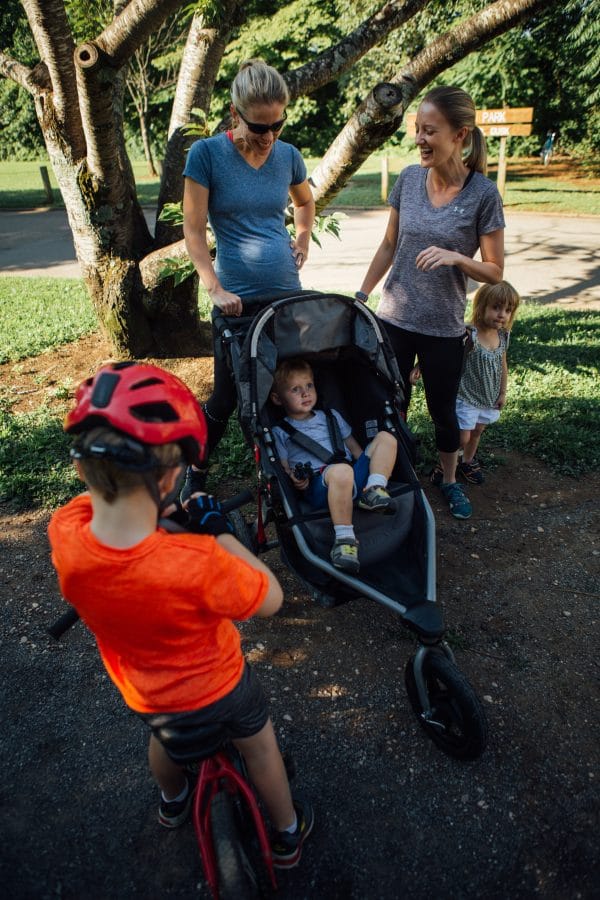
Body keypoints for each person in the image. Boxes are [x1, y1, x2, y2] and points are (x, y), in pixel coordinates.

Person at [47, 362, 313, 869]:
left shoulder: (66, 531)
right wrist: (216, 531)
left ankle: (172, 803)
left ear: (83, 469)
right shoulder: (198, 562)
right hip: (222, 690)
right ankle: (286, 833)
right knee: (259, 746)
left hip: (148, 695)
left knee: (166, 740)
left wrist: (155, 518)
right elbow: (270, 597)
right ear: (172, 476)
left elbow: (95, 511)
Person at [356, 85, 505, 521]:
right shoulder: (407, 180)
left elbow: (496, 271)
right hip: (394, 320)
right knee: (389, 404)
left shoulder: (483, 194)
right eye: (417, 130)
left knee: (443, 412)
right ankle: (394, 475)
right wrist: (363, 296)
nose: (420, 139)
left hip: (443, 326)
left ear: (460, 136)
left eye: (430, 131)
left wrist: (458, 257)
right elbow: (388, 245)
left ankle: (449, 479)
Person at [182, 58, 316, 499]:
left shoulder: (287, 156)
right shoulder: (206, 155)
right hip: (235, 300)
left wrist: (303, 236)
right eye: (260, 127)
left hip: (285, 294)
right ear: (235, 114)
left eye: (278, 124)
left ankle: (291, 468)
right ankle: (197, 470)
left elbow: (304, 203)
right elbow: (194, 229)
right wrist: (214, 288)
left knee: (289, 386)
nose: (270, 136)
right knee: (227, 397)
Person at [270, 358, 398, 574]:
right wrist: (295, 479)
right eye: (295, 389)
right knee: (341, 471)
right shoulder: (280, 431)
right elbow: (283, 467)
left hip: (350, 475)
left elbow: (356, 450)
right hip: (320, 485)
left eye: (309, 386)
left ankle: (375, 489)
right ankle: (345, 540)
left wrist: (367, 469)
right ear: (277, 399)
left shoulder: (331, 416)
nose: (305, 393)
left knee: (386, 438)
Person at [418, 281, 520, 486]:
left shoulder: (502, 336)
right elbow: (442, 352)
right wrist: (420, 366)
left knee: (477, 432)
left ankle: (468, 461)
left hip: (488, 396)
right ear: (481, 307)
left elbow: (503, 365)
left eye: (508, 310)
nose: (502, 315)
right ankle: (445, 466)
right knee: (461, 438)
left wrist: (502, 392)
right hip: (467, 396)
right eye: (496, 308)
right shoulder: (468, 334)